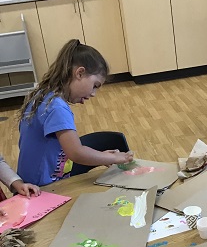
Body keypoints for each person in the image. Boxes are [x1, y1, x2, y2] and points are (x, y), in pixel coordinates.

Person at [17, 39, 133, 186]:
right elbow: (76, 153)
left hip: (31, 183)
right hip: (41, 189)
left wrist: (102, 156)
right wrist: (116, 158)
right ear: (80, 73)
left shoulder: (42, 95)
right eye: (95, 86)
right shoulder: (57, 107)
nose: (93, 94)